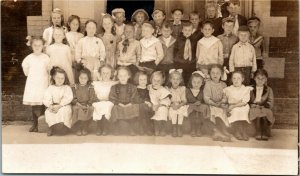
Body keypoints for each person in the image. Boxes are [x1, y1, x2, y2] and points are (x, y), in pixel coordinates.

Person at [22, 36, 50, 132]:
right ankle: (34, 123)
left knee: (42, 103)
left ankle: (40, 124)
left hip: (43, 83)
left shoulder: (46, 58)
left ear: (43, 46)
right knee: (34, 103)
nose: (37, 47)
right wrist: (32, 76)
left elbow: (49, 70)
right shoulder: (29, 58)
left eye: (39, 45)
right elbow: (25, 69)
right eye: (35, 45)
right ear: (31, 46)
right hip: (33, 83)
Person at [109, 66, 140, 136]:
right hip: (119, 105)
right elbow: (112, 98)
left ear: (128, 76)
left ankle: (131, 128)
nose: (123, 78)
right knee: (114, 108)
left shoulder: (133, 87)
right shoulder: (114, 87)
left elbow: (135, 97)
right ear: (118, 77)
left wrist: (130, 103)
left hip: (129, 105)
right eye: (120, 76)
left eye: (125, 75)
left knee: (135, 107)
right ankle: (116, 128)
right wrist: (119, 103)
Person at [204, 64, 231, 142]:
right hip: (211, 105)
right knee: (214, 112)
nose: (215, 75)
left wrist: (222, 102)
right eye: (213, 73)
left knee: (223, 111)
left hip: (221, 105)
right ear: (210, 74)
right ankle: (216, 132)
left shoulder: (223, 84)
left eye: (217, 73)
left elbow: (226, 96)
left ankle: (224, 131)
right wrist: (213, 103)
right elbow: (206, 97)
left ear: (221, 74)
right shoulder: (208, 84)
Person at [43, 67, 73, 136]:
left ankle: (63, 127)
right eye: (58, 78)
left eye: (62, 78)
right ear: (53, 77)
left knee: (63, 111)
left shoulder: (66, 87)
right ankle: (51, 127)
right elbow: (46, 98)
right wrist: (50, 105)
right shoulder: (50, 88)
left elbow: (68, 98)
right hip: (53, 105)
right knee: (49, 112)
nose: (60, 80)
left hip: (64, 105)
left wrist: (60, 105)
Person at [223, 71, 253, 141]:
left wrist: (234, 106)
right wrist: (225, 101)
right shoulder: (228, 89)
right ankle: (237, 131)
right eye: (234, 78)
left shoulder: (245, 89)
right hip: (232, 106)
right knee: (235, 111)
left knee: (243, 111)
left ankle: (244, 132)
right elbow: (226, 100)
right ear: (231, 80)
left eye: (238, 78)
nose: (236, 80)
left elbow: (244, 102)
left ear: (242, 79)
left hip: (242, 106)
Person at [93, 65, 118, 136]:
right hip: (99, 101)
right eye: (103, 73)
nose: (105, 75)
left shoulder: (114, 83)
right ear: (100, 73)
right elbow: (93, 94)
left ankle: (105, 127)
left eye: (107, 73)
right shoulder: (96, 83)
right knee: (98, 105)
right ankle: (99, 126)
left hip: (109, 102)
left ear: (111, 73)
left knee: (107, 105)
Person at [249, 69, 274, 141]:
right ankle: (258, 131)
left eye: (263, 79)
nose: (260, 80)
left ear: (266, 79)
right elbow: (246, 99)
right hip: (254, 107)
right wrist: (251, 104)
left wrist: (264, 105)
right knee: (255, 112)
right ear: (254, 78)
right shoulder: (250, 88)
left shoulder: (269, 89)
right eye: (258, 78)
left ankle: (265, 131)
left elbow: (270, 101)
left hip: (264, 107)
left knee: (267, 112)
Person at [71, 68, 96, 136]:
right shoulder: (74, 86)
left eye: (85, 78)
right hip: (77, 104)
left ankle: (85, 127)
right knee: (77, 109)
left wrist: (88, 104)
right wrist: (79, 105)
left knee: (89, 109)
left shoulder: (90, 87)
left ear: (88, 79)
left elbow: (92, 98)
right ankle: (78, 128)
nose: (82, 79)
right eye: (81, 77)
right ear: (78, 77)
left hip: (87, 104)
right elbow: (73, 98)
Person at [186, 71, 210, 137]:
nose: (196, 84)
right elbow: (186, 100)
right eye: (194, 82)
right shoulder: (188, 90)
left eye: (198, 82)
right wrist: (193, 103)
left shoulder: (203, 91)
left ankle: (198, 128)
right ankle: (193, 128)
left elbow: (204, 100)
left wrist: (200, 103)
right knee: (193, 111)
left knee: (201, 111)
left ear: (202, 83)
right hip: (191, 107)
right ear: (191, 82)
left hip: (200, 107)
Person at [148, 71, 171, 136]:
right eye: (154, 80)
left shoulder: (163, 90)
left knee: (162, 110)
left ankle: (162, 128)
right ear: (151, 80)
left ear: (162, 82)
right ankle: (156, 128)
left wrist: (158, 105)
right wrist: (152, 105)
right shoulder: (149, 87)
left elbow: (166, 101)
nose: (156, 82)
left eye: (158, 81)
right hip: (152, 104)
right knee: (151, 110)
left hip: (161, 105)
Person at [167, 69, 188, 137]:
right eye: (174, 79)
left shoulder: (182, 89)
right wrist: (172, 105)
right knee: (173, 111)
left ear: (180, 80)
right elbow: (167, 100)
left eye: (177, 79)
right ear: (170, 80)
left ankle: (179, 127)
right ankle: (174, 128)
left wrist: (179, 105)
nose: (175, 81)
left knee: (181, 110)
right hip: (172, 105)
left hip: (180, 104)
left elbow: (184, 101)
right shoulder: (168, 89)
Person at [134, 71, 154, 135]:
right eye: (141, 80)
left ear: (147, 80)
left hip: (148, 105)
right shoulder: (136, 89)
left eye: (144, 79)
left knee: (147, 109)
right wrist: (145, 102)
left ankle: (148, 128)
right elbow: (136, 98)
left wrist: (150, 102)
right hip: (140, 105)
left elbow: (151, 97)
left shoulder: (149, 88)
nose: (143, 81)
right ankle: (142, 128)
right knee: (142, 107)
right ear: (137, 80)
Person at [65, 15, 84, 83]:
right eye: (73, 24)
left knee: (78, 75)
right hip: (69, 57)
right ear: (69, 24)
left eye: (77, 24)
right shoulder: (66, 35)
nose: (75, 26)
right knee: (70, 75)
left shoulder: (81, 35)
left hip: (78, 58)